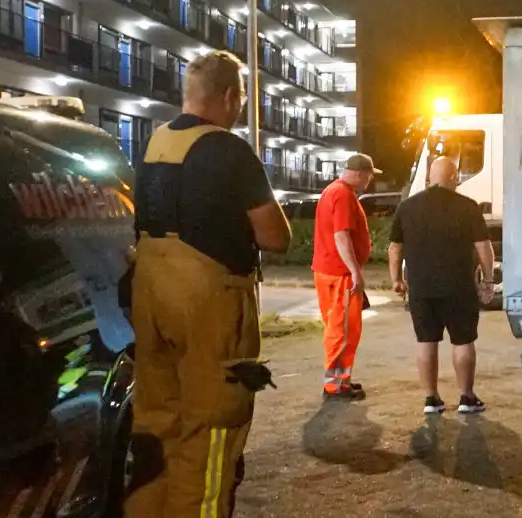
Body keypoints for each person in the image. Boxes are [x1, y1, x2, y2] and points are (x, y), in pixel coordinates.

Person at [126, 50, 292, 518]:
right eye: (239, 100)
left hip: (150, 294)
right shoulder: (229, 149)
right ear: (228, 97)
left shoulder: (155, 143)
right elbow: (275, 237)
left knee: (155, 427)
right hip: (208, 304)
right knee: (213, 433)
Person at [387, 157, 495, 415]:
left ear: (429, 177)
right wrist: (488, 280)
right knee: (463, 341)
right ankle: (467, 398)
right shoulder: (468, 206)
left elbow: (394, 247)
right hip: (459, 286)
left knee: (426, 341)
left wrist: (397, 280)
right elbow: (483, 247)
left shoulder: (408, 207)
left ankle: (431, 399)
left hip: (421, 289)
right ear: (454, 177)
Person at [312, 153, 381, 400]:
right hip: (339, 274)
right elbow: (341, 235)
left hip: (329, 271)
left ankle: (340, 380)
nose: (370, 180)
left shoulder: (333, 191)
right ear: (361, 174)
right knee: (343, 331)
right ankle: (335, 385)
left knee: (339, 328)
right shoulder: (342, 195)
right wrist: (354, 271)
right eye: (370, 175)